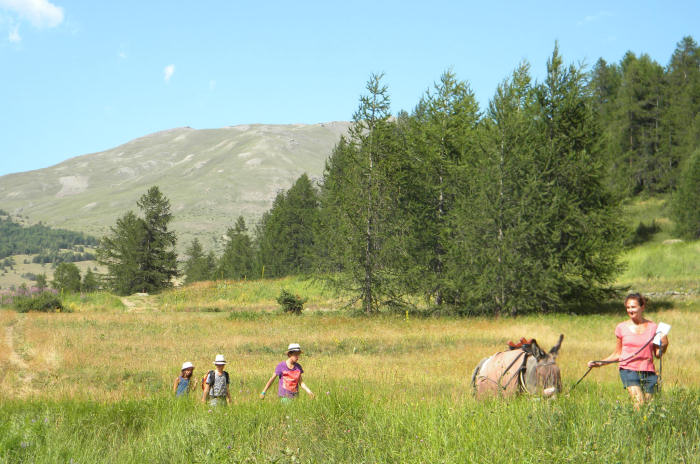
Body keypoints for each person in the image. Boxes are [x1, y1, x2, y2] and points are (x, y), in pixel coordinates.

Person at [588, 293, 669, 409]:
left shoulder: (653, 327)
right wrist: (600, 363)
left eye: (633, 307)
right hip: (628, 369)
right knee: (639, 403)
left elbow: (658, 354)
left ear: (642, 307)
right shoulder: (621, 328)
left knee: (650, 406)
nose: (630, 310)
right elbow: (618, 353)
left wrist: (665, 343)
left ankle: (643, 426)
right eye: (628, 307)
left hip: (648, 370)